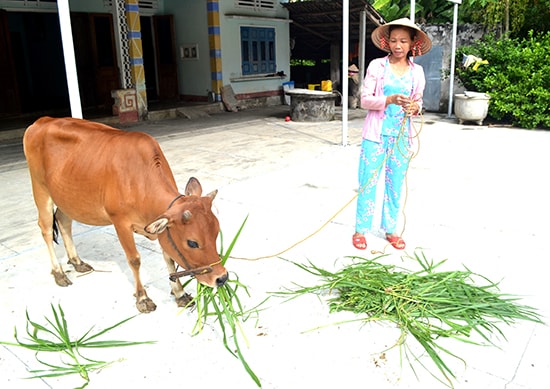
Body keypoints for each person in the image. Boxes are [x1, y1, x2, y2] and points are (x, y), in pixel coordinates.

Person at [352, 18, 432, 251]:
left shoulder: (417, 72)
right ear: (387, 42)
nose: (398, 45)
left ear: (412, 44)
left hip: (401, 138)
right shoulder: (377, 66)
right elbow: (365, 100)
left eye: (403, 41)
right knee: (368, 182)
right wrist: (388, 99)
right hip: (375, 136)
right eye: (394, 40)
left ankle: (391, 230)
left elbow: (418, 102)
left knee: (395, 184)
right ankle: (361, 230)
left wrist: (414, 108)